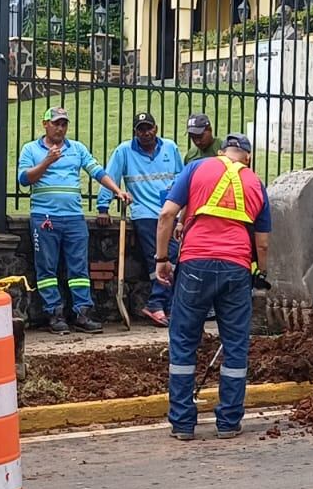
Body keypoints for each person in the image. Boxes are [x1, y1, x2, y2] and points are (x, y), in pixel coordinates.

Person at [155, 133, 271, 441]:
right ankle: (228, 422)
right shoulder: (256, 183)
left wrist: (162, 259)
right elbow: (263, 242)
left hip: (195, 264)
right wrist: (260, 271)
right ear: (247, 157)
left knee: (183, 341)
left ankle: (182, 423)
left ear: (221, 153)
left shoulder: (196, 169)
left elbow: (167, 213)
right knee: (235, 345)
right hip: (237, 267)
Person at [18, 105, 131, 334]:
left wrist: (117, 190)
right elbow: (24, 179)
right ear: (45, 124)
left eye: (64, 124)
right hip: (45, 217)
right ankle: (54, 313)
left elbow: (97, 171)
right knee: (47, 269)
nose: (60, 128)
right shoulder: (31, 149)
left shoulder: (77, 148)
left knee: (78, 267)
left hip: (74, 218)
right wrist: (47, 161)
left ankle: (82, 313)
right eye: (56, 123)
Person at [97, 111, 184, 326]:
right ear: (135, 132)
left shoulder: (170, 148)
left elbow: (182, 178)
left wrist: (183, 210)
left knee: (173, 257)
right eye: (141, 129)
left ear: (156, 128)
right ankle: (156, 304)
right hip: (144, 212)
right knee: (159, 258)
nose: (146, 133)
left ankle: (165, 304)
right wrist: (102, 206)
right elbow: (110, 176)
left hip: (169, 211)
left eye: (149, 128)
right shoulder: (124, 151)